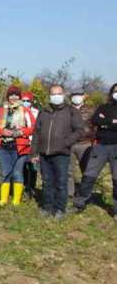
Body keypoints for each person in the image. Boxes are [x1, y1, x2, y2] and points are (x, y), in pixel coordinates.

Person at [30, 85, 85, 219]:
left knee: (61, 182)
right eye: (53, 94)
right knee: (47, 181)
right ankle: (47, 207)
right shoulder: (43, 112)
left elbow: (79, 130)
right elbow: (36, 132)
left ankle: (60, 209)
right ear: (49, 96)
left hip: (61, 153)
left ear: (63, 94)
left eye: (59, 93)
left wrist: (65, 143)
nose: (56, 96)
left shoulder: (71, 111)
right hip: (44, 153)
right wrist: (33, 152)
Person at [73, 84, 117, 219]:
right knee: (89, 175)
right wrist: (113, 122)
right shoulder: (103, 107)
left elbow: (102, 122)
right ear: (111, 93)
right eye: (115, 91)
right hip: (100, 146)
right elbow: (95, 120)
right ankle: (79, 204)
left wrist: (106, 122)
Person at [0, 86, 35, 206]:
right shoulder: (0, 111)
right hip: (3, 146)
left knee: (17, 173)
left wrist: (21, 132)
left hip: (20, 146)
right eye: (11, 95)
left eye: (16, 95)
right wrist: (2, 131)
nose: (14, 97)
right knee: (5, 173)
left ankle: (16, 200)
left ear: (19, 97)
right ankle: (3, 199)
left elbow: (34, 127)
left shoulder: (26, 111)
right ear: (7, 97)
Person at [67, 92, 95, 197]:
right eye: (74, 96)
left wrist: (94, 140)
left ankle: (85, 194)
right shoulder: (66, 110)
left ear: (83, 97)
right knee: (68, 171)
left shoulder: (91, 110)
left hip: (85, 143)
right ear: (70, 98)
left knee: (87, 170)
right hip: (69, 144)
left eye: (79, 95)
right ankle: (69, 193)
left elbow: (96, 125)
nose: (77, 98)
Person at [20, 91, 40, 198]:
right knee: (22, 165)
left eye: (27, 101)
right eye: (23, 100)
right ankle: (23, 187)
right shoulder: (17, 111)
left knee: (33, 166)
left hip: (34, 143)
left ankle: (32, 187)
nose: (25, 102)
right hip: (21, 143)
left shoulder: (36, 112)